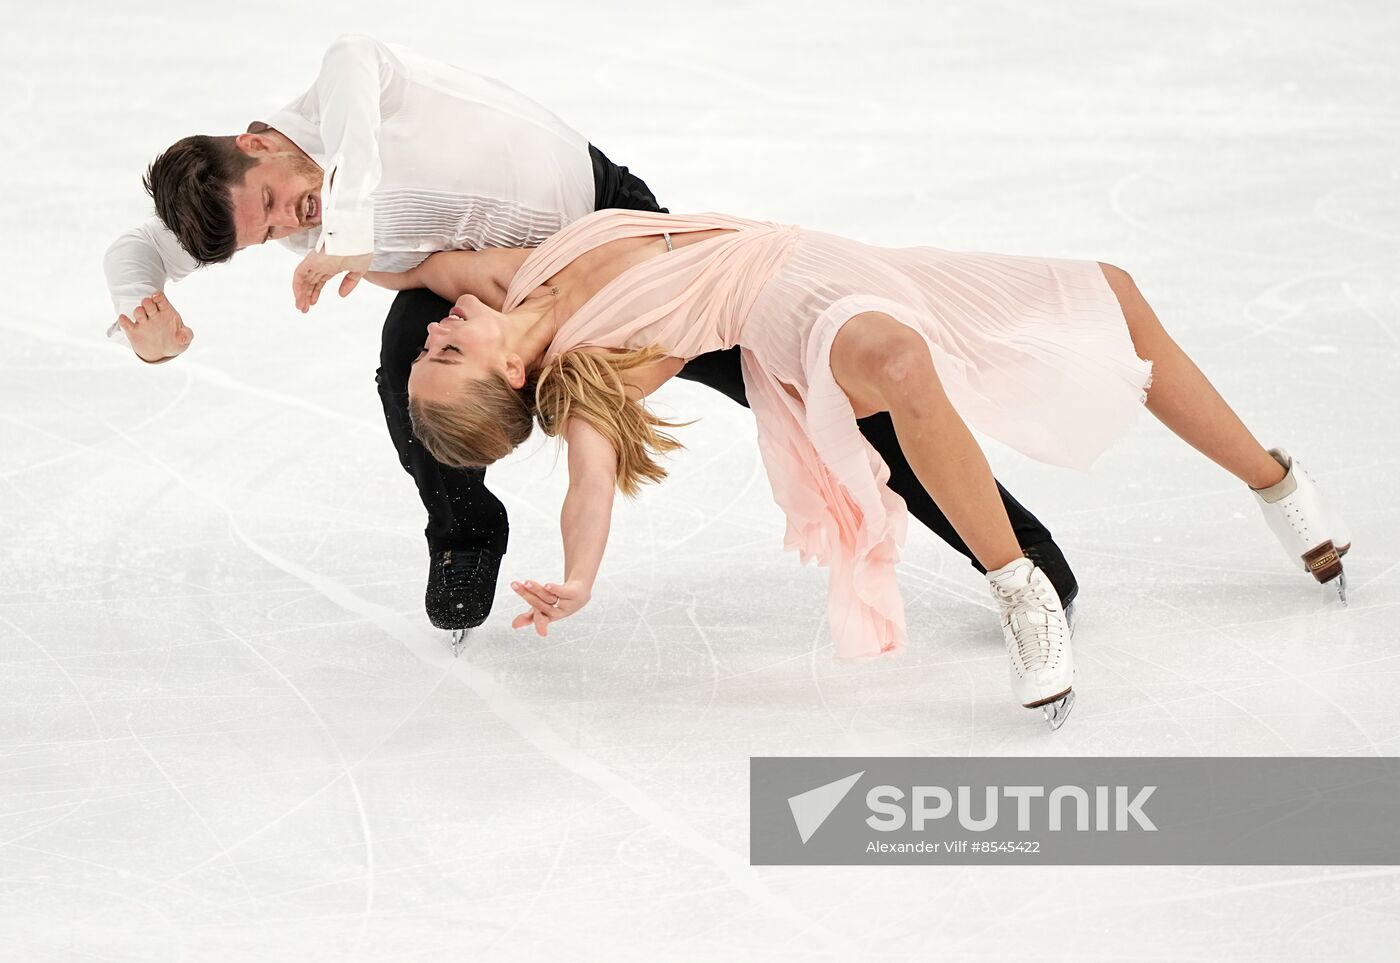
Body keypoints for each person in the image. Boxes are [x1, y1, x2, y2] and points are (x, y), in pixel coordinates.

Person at [101, 35, 1080, 638]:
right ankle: (465, 534)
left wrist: (346, 236)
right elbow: (135, 251)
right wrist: (146, 313)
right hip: (488, 284)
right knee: (407, 371)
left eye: (277, 201)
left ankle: (1004, 541)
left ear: (260, 138)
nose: (290, 220)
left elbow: (352, 72)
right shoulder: (275, 207)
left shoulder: (348, 87)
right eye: (272, 229)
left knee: (802, 375)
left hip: (611, 237)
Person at [399, 210, 1352, 729]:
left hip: (828, 253)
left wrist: (325, 258)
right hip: (784, 310)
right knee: (897, 361)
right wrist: (578, 576)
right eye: (444, 354)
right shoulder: (580, 377)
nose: (434, 333)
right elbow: (589, 485)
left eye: (430, 346)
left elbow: (425, 262)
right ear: (510, 377)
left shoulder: (513, 280)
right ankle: (1019, 589)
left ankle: (1277, 485)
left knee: (1111, 295)